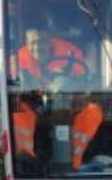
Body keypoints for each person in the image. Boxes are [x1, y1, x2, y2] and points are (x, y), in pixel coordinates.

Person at [10, 27, 103, 171]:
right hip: (36, 103)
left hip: (69, 103)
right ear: (26, 43)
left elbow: (84, 80)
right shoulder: (18, 59)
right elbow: (15, 87)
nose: (37, 47)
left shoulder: (70, 52)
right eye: (32, 43)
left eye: (42, 42)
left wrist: (73, 88)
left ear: (51, 40)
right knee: (19, 113)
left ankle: (73, 162)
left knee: (93, 111)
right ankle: (25, 159)